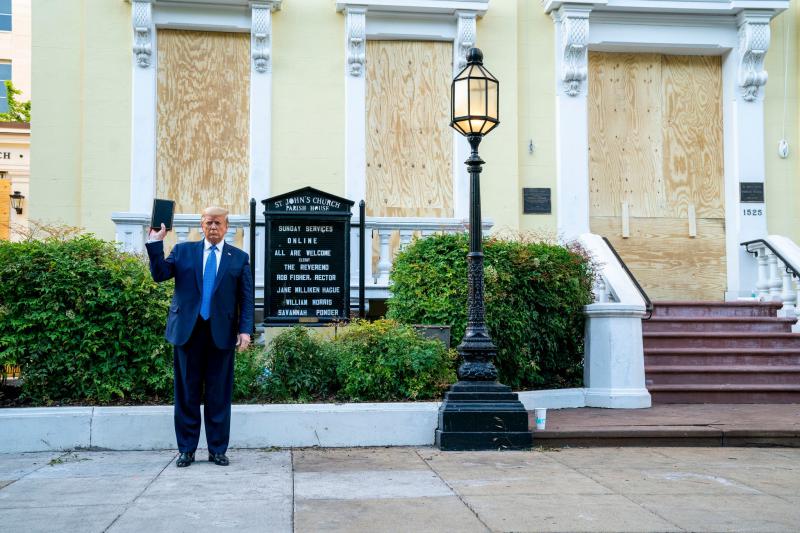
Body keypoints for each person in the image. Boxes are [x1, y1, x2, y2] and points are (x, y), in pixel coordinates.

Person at [146, 206, 254, 467]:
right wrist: (155, 243)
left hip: (221, 334)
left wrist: (245, 330)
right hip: (187, 333)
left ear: (227, 226)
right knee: (186, 393)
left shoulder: (238, 258)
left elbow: (246, 298)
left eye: (218, 223)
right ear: (201, 225)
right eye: (208, 223)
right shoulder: (184, 251)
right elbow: (159, 274)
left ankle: (217, 449)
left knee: (219, 395)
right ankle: (186, 449)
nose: (213, 227)